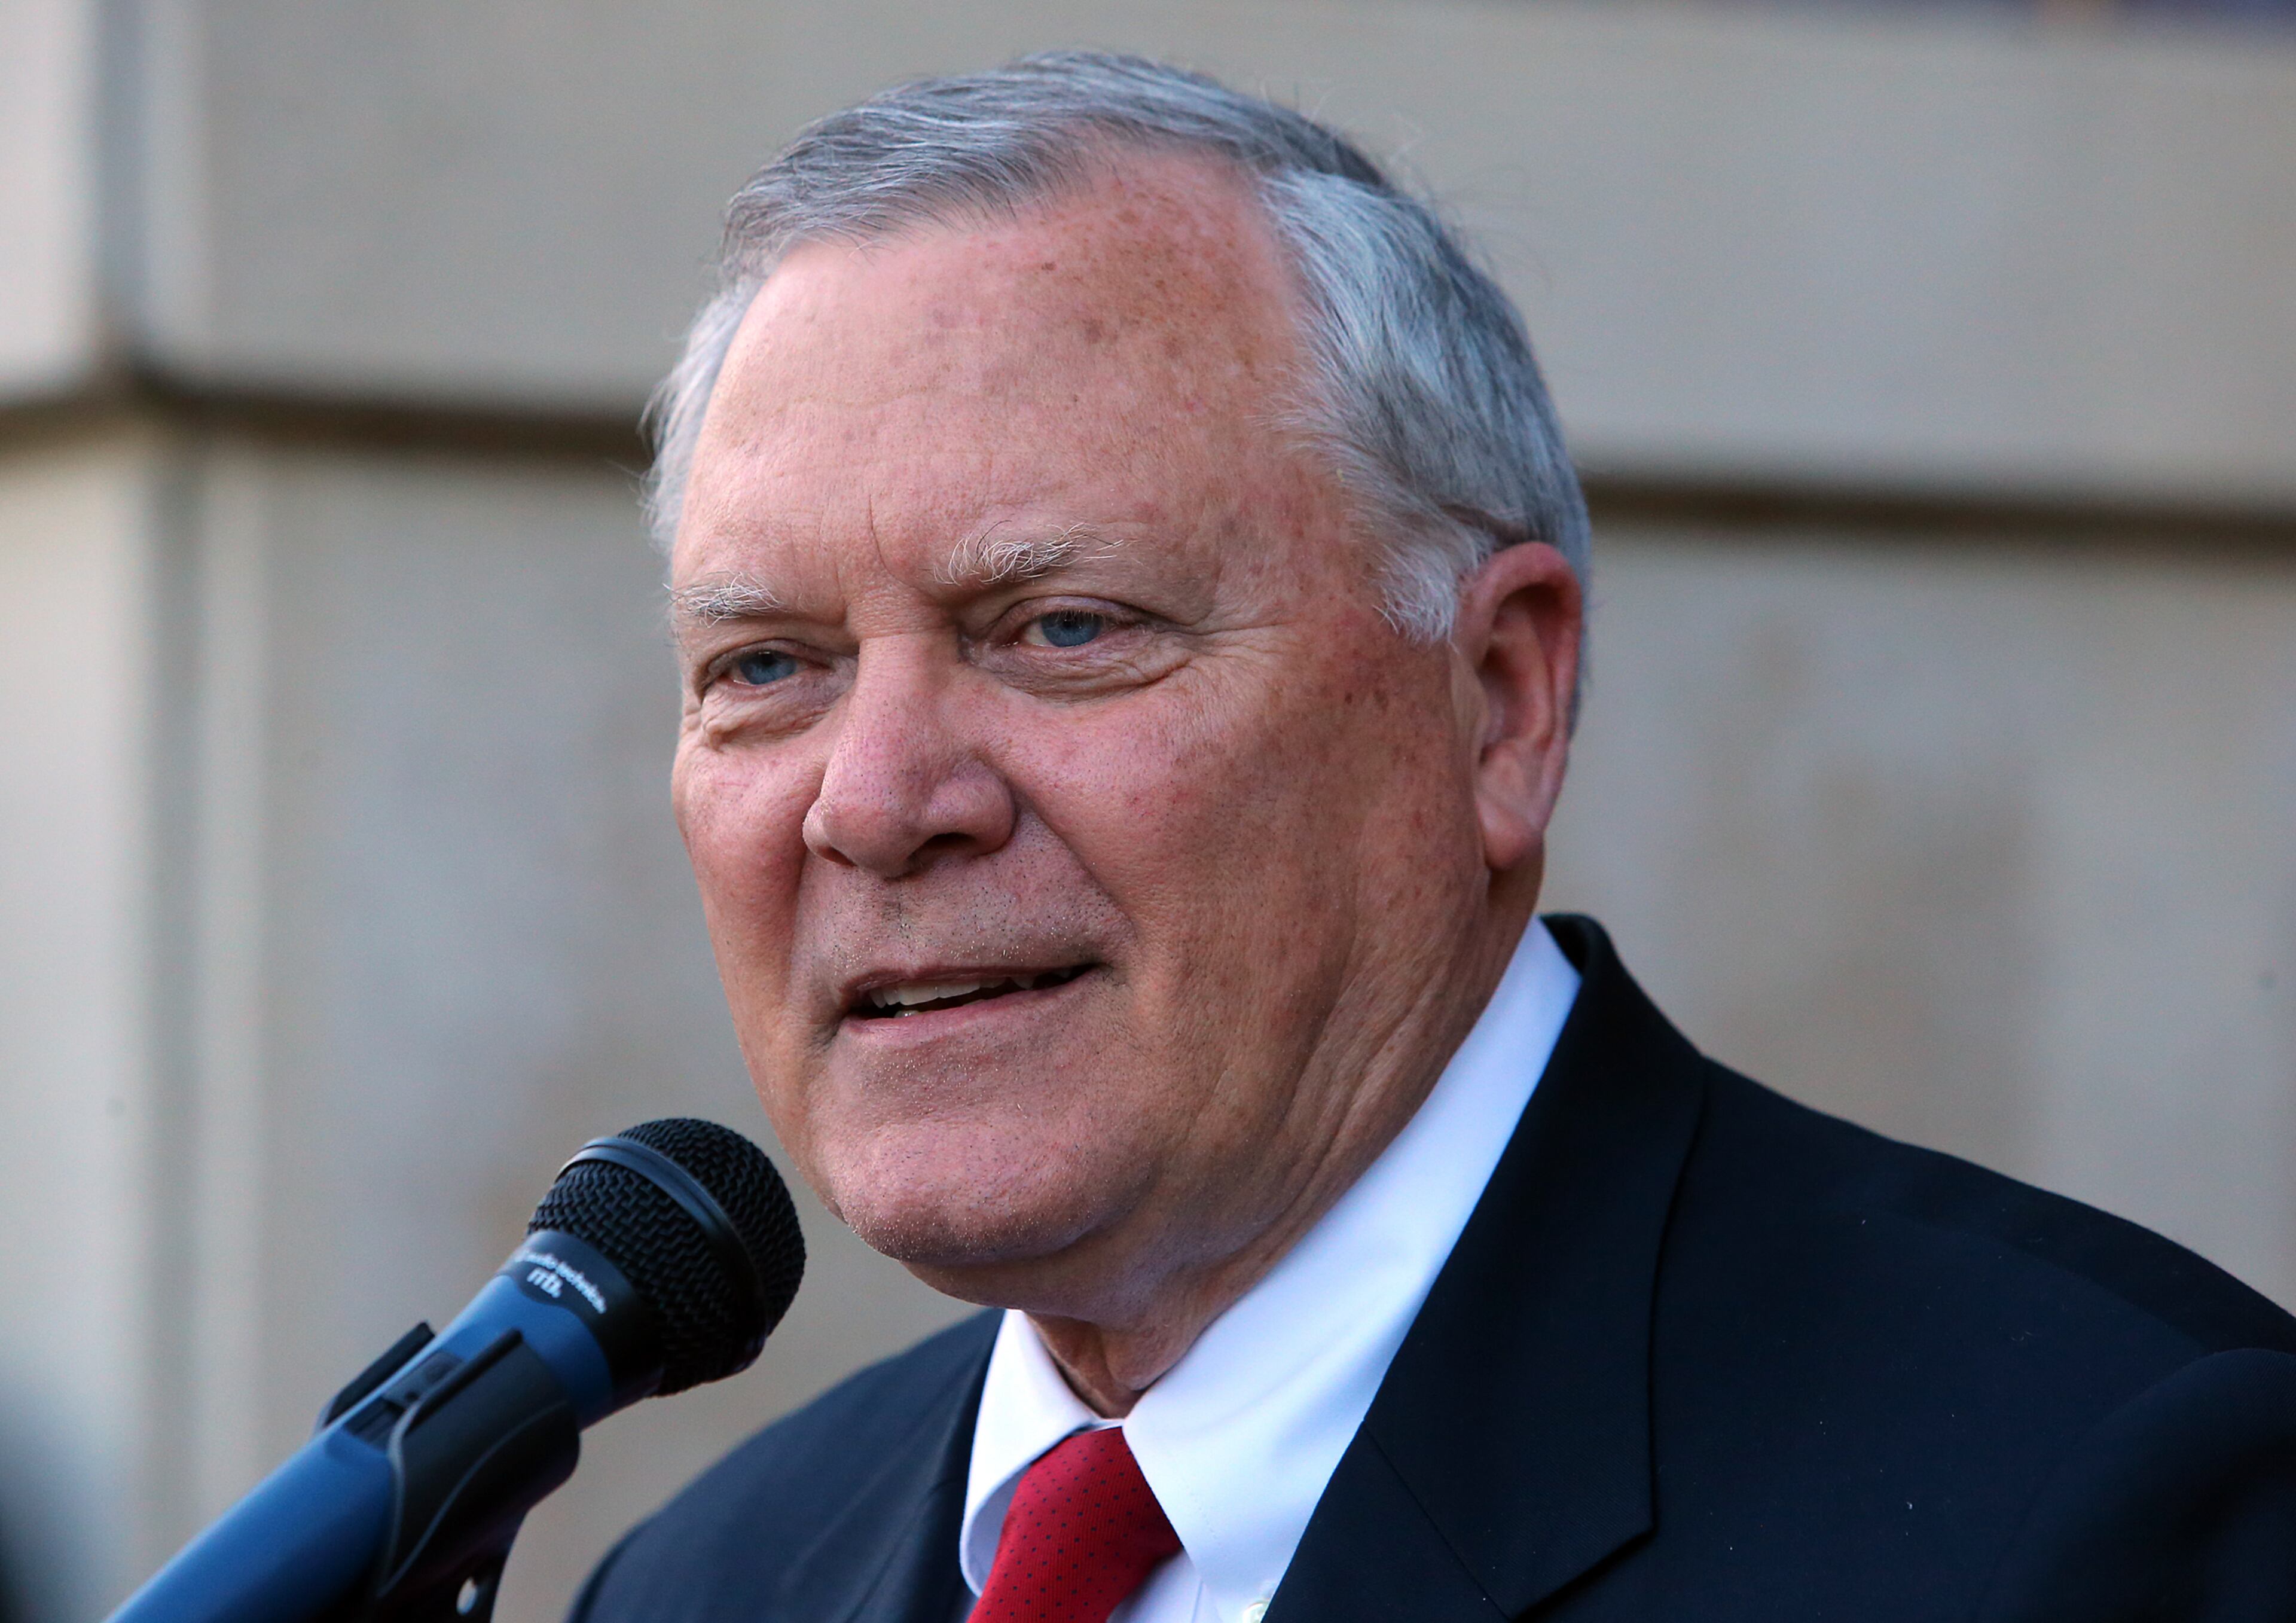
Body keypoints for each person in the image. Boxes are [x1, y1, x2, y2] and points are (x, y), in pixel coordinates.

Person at [573, 51, 2296, 1623]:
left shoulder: (2103, 1512)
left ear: (1498, 699)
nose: (873, 802)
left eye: (1065, 628)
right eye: (769, 666)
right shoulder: (703, 1582)